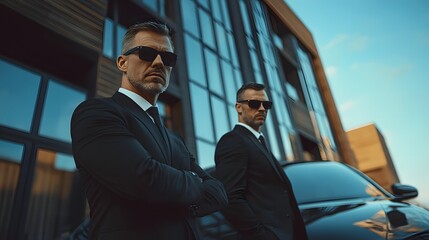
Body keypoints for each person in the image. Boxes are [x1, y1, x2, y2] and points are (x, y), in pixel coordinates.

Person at [71, 21, 227, 240]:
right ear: (122, 63)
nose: (158, 63)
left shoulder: (175, 138)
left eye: (168, 58)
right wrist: (196, 182)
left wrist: (174, 195)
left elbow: (219, 193)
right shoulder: (97, 113)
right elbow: (144, 179)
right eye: (146, 53)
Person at [214, 83, 307, 240]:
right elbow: (230, 197)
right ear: (238, 107)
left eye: (267, 104)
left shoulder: (259, 144)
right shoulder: (233, 141)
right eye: (255, 103)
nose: (262, 109)